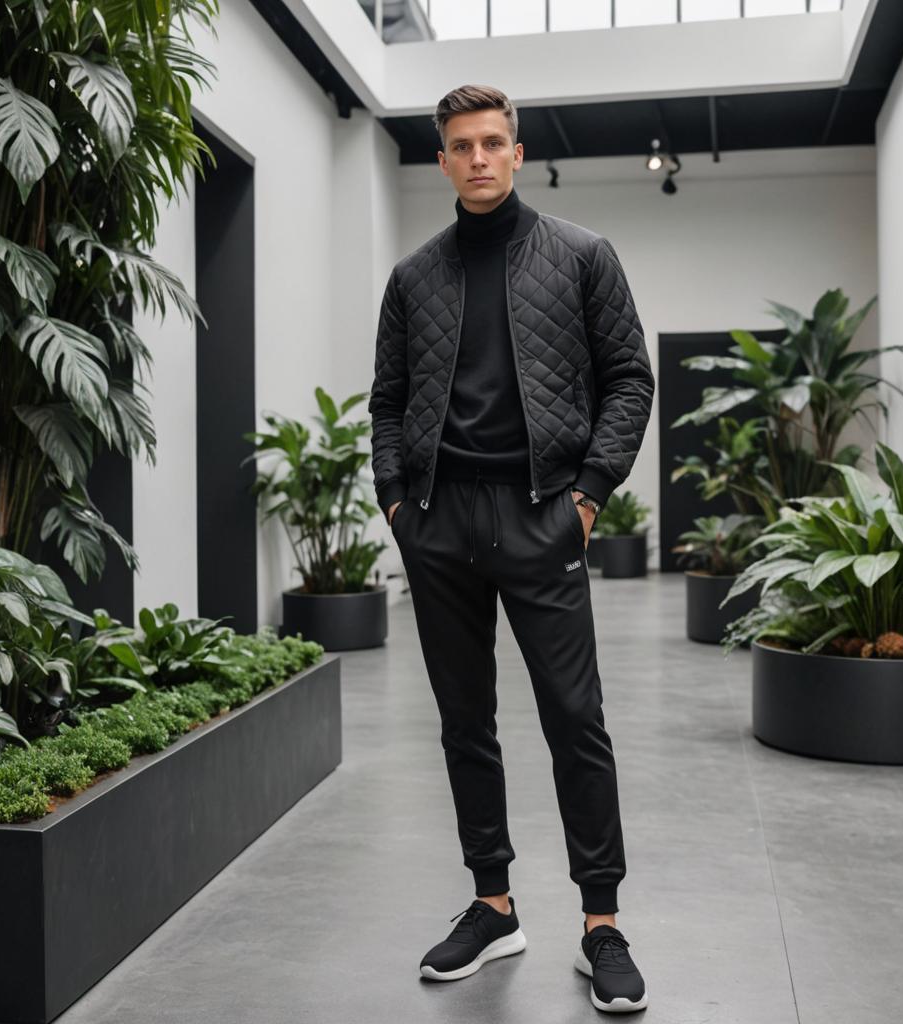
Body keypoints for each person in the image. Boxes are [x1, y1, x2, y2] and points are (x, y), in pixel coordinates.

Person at [367, 84, 655, 1014]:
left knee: (576, 718)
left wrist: (587, 497)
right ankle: (493, 904)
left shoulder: (581, 257)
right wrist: (399, 508)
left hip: (542, 516)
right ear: (443, 161)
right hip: (440, 521)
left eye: (495, 142)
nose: (480, 157)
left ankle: (601, 923)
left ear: (517, 153)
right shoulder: (414, 277)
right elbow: (386, 400)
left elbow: (629, 380)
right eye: (462, 145)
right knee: (464, 722)